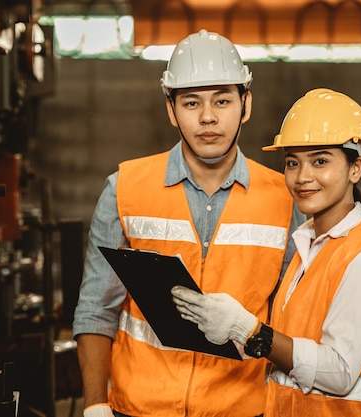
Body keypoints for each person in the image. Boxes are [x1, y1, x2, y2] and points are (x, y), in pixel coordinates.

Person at [72, 29, 304, 417]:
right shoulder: (124, 189)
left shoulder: (285, 199)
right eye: (192, 102)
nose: (208, 117)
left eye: (223, 100)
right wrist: (95, 404)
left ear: (245, 105)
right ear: (171, 109)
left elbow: (293, 325)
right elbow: (96, 309)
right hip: (140, 408)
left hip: (241, 409)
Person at [172, 88, 361, 416]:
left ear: (356, 168)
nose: (302, 177)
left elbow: (339, 372)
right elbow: (293, 347)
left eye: (320, 161)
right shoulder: (309, 249)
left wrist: (248, 329)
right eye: (292, 163)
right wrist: (232, 332)